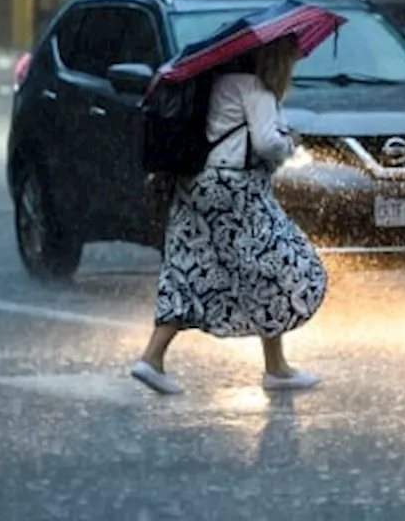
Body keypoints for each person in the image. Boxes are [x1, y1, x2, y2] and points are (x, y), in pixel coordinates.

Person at [131, 35, 328, 395]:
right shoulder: (255, 89)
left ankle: (152, 358)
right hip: (235, 187)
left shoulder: (212, 82)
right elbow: (268, 144)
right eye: (290, 60)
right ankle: (277, 368)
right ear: (277, 61)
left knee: (188, 266)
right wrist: (290, 143)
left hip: (194, 185)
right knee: (279, 262)